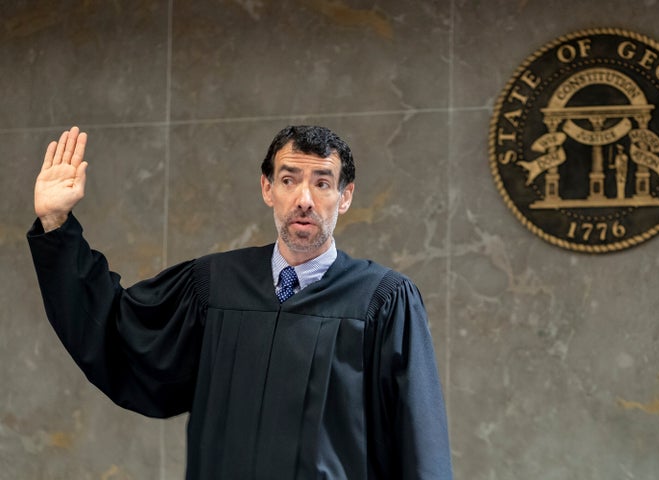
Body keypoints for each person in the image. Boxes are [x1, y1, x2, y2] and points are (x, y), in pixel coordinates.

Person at [27, 125, 453, 479]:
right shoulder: (214, 286)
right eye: (289, 180)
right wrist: (56, 222)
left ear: (346, 196)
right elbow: (118, 329)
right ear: (267, 188)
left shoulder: (382, 301)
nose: (304, 198)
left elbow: (420, 444)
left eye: (322, 182)